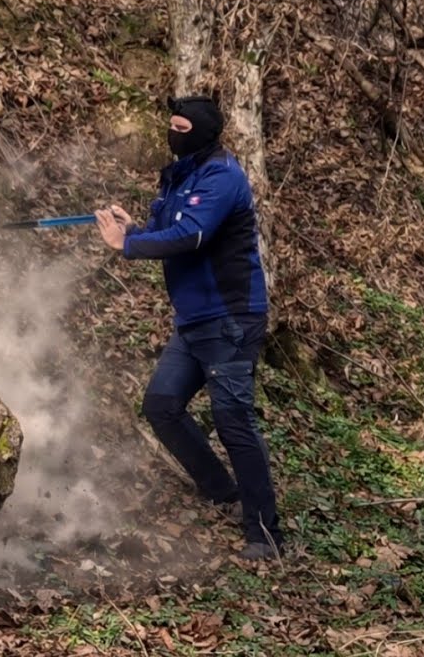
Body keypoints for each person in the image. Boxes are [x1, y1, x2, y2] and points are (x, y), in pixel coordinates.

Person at [92, 95, 284, 561]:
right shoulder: (179, 175)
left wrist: (126, 246)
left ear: (203, 133)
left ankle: (265, 534)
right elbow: (165, 231)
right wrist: (134, 229)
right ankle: (221, 490)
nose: (172, 134)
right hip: (194, 322)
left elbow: (191, 235)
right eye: (171, 126)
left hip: (230, 320)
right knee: (161, 406)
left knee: (233, 420)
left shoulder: (222, 176)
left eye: (181, 128)